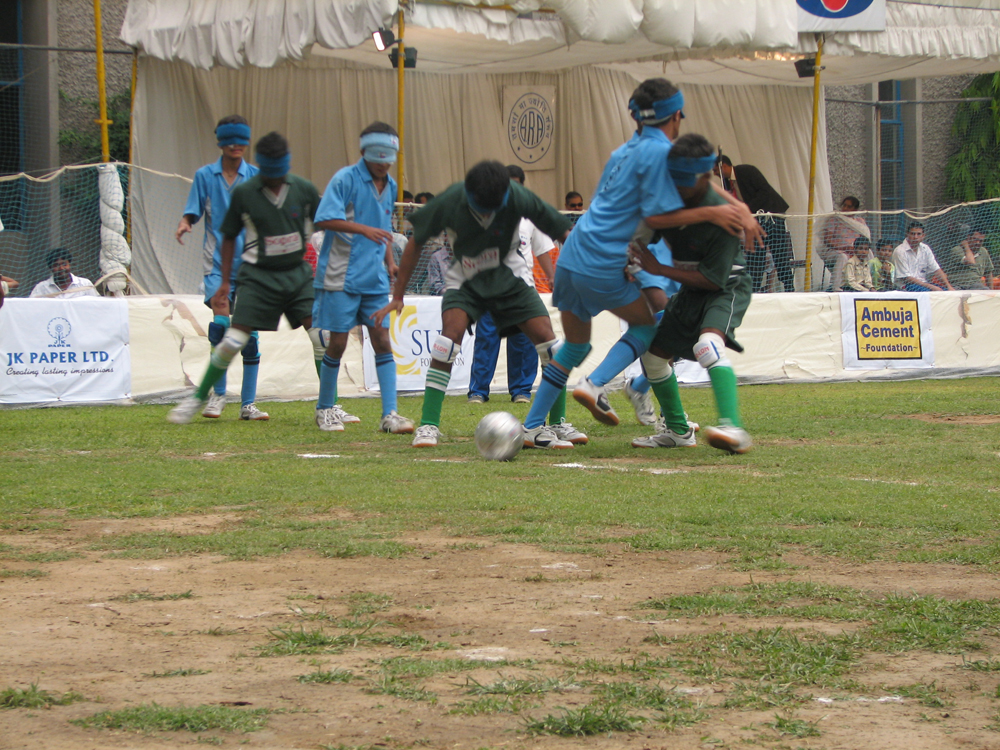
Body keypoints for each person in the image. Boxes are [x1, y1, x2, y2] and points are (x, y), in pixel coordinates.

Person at [522, 77, 760, 443]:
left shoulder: (623, 152)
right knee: (653, 325)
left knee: (575, 345)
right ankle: (597, 385)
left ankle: (533, 427)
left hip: (571, 255)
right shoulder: (662, 152)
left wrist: (737, 207)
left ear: (636, 116)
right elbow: (663, 208)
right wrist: (718, 212)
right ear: (677, 115)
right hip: (606, 258)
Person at [373, 160, 580, 449]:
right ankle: (428, 425)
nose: (488, 214)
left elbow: (564, 233)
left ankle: (554, 424)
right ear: (469, 194)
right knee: (446, 343)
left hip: (509, 275)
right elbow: (416, 242)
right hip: (466, 277)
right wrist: (398, 296)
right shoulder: (450, 200)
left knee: (551, 346)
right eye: (482, 208)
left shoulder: (518, 196)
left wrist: (583, 268)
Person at [167, 132, 321, 424]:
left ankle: (327, 407)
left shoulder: (303, 189)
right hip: (256, 276)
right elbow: (227, 236)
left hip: (295, 276)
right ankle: (204, 396)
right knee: (231, 335)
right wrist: (225, 281)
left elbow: (326, 223)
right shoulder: (245, 192)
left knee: (320, 336)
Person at [628, 133, 752, 454]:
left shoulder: (725, 219)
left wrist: (659, 269)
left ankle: (732, 427)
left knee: (707, 345)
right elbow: (648, 222)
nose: (677, 188)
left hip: (724, 287)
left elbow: (712, 281)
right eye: (674, 178)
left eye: (684, 180)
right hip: (691, 288)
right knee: (653, 357)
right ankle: (678, 431)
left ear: (705, 176)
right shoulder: (670, 195)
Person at [310, 122, 413, 435]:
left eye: (388, 158)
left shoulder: (391, 186)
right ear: (364, 151)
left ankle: (390, 413)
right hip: (340, 275)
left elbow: (383, 230)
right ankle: (325, 408)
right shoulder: (345, 179)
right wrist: (363, 230)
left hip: (374, 278)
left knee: (382, 339)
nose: (383, 164)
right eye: (377, 157)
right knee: (338, 342)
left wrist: (390, 263)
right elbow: (323, 218)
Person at [176, 115, 268, 421]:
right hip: (216, 264)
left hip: (252, 265)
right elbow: (193, 210)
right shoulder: (205, 175)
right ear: (220, 142)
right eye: (230, 140)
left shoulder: (257, 176)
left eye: (242, 140)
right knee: (220, 328)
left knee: (249, 336)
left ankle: (248, 404)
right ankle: (218, 395)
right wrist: (185, 223)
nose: (236, 145)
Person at [468, 165, 557, 406]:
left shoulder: (531, 214)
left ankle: (521, 390)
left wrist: (551, 277)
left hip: (522, 287)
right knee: (487, 338)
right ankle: (478, 391)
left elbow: (542, 249)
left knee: (524, 340)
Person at [733, 164, 795, 293]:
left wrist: (747, 210)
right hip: (757, 220)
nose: (715, 173)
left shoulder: (745, 171)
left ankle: (789, 286)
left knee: (779, 252)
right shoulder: (729, 184)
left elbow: (764, 191)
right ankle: (753, 288)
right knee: (755, 254)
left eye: (716, 169)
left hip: (771, 216)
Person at [819, 196, 870, 293]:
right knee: (842, 256)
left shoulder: (860, 222)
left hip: (855, 251)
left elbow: (865, 240)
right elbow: (827, 240)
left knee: (869, 253)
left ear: (855, 209)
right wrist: (844, 248)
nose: (845, 208)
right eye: (844, 205)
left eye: (849, 207)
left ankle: (868, 284)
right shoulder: (834, 219)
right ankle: (837, 287)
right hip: (835, 251)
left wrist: (856, 249)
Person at [891, 222, 954, 291]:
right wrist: (931, 287)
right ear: (907, 234)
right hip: (905, 286)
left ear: (923, 235)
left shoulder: (925, 248)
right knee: (933, 293)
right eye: (913, 234)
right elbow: (906, 278)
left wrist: (949, 286)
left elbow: (936, 269)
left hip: (923, 284)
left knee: (946, 292)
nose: (915, 237)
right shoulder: (900, 251)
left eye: (918, 234)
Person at [30, 249, 99, 299]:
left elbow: (96, 305)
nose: (61, 268)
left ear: (69, 264)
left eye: (64, 264)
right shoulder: (42, 288)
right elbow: (31, 307)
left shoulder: (85, 284)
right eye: (56, 265)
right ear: (50, 268)